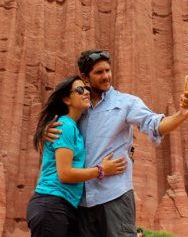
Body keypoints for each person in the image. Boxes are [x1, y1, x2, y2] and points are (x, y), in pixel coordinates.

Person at [46, 50, 188, 237]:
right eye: (99, 72)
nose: (106, 76)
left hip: (115, 196)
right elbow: (58, 127)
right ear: (85, 77)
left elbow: (155, 125)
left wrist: (182, 114)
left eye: (108, 70)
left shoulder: (126, 103)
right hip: (82, 201)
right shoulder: (79, 107)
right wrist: (46, 132)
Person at [26, 75, 127, 237]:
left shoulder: (73, 127)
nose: (86, 92)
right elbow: (65, 174)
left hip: (64, 207)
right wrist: (101, 170)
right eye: (80, 90)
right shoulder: (65, 126)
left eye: (86, 89)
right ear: (66, 99)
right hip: (52, 204)